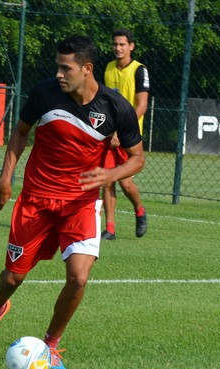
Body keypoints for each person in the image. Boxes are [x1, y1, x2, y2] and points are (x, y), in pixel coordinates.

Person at [0, 35, 145, 369]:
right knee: (12, 279)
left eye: (67, 68)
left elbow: (137, 159)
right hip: (35, 200)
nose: (59, 74)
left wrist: (109, 176)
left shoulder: (115, 107)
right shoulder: (44, 92)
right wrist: (5, 178)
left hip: (79, 204)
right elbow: (20, 132)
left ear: (87, 69)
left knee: (79, 278)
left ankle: (51, 345)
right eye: (58, 67)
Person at [100, 28, 150, 240]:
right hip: (110, 136)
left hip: (129, 137)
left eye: (122, 44)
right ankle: (110, 229)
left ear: (131, 46)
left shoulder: (140, 70)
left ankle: (139, 210)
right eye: (115, 44)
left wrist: (122, 131)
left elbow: (142, 106)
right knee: (107, 180)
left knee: (125, 182)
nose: (118, 48)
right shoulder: (109, 68)